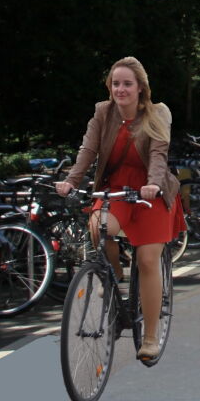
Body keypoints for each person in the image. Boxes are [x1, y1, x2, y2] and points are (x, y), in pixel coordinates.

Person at [56, 57, 183, 362]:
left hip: (150, 191)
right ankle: (112, 271)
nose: (120, 89)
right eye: (116, 83)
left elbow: (157, 155)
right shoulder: (103, 112)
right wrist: (71, 180)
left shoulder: (157, 114)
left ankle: (150, 337)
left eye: (127, 84)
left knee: (148, 259)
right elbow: (88, 149)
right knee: (99, 226)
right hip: (116, 187)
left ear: (141, 88)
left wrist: (152, 184)